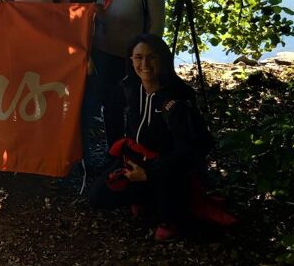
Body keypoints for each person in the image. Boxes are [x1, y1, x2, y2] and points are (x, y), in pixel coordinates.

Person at [88, 34, 214, 242]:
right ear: (130, 60)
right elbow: (108, 109)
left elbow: (188, 151)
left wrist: (149, 173)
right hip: (136, 159)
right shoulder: (130, 88)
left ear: (162, 60)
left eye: (151, 57)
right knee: (98, 197)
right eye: (138, 57)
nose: (144, 64)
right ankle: (142, 196)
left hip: (169, 166)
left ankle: (167, 214)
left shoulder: (176, 99)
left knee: (166, 223)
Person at [91, 0, 165, 147]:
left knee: (136, 107)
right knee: (110, 107)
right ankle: (115, 152)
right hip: (104, 55)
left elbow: (158, 21)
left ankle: (138, 152)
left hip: (133, 59)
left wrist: (146, 57)